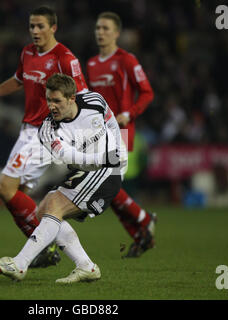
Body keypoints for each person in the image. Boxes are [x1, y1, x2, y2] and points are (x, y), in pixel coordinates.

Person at [0, 6, 88, 267]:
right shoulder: (27, 53)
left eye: (40, 26)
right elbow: (17, 79)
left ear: (53, 28)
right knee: (20, 195)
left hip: (46, 132)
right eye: (31, 26)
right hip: (28, 130)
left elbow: (82, 97)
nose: (35, 31)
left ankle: (43, 252)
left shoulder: (65, 58)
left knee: (4, 187)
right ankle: (47, 252)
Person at [0, 73, 126, 283]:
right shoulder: (48, 130)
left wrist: (117, 152)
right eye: (49, 100)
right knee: (44, 210)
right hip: (92, 166)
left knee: (56, 207)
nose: (51, 106)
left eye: (57, 101)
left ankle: (19, 264)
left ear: (71, 98)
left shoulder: (94, 102)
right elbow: (70, 157)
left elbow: (113, 126)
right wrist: (102, 158)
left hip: (110, 170)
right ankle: (86, 266)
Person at [86, 12, 156, 257]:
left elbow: (147, 92)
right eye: (97, 27)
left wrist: (129, 112)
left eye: (105, 28)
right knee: (110, 190)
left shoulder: (127, 60)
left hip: (122, 131)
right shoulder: (92, 64)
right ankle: (140, 233)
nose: (100, 32)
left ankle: (144, 219)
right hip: (100, 134)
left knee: (109, 185)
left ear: (117, 33)